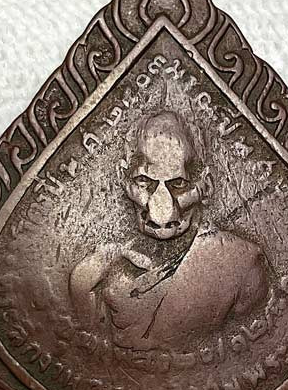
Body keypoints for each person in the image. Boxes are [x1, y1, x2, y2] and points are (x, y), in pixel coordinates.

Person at [69, 110, 269, 350]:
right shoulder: (96, 271)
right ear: (123, 180)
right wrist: (81, 285)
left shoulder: (241, 265)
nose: (160, 215)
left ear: (205, 185)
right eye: (144, 182)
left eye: (179, 184)